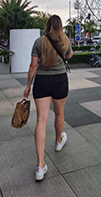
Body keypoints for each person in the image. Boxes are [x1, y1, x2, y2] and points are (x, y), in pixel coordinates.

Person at [23, 15, 73, 181]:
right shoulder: (65, 40)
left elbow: (33, 66)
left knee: (41, 120)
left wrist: (28, 85)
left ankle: (40, 166)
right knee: (59, 113)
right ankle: (58, 141)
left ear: (47, 25)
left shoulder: (39, 42)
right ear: (60, 26)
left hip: (42, 82)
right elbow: (69, 56)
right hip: (60, 80)